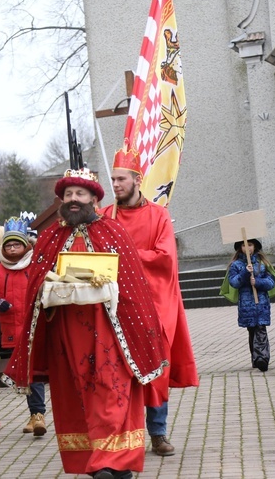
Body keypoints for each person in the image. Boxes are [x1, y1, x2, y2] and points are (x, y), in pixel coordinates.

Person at [3, 168, 169, 479]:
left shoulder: (115, 232)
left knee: (112, 391)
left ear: (94, 198)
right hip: (67, 334)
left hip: (111, 332)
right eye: (68, 195)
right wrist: (48, 289)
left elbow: (134, 287)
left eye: (80, 194)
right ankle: (99, 462)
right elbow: (36, 284)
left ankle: (113, 461)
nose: (74, 199)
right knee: (78, 396)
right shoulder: (51, 237)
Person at [101, 147, 198, 458]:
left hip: (151, 305)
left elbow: (166, 258)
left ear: (136, 180)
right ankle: (121, 435)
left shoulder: (158, 215)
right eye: (113, 179)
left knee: (155, 369)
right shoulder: (105, 215)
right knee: (117, 372)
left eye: (121, 179)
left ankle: (157, 433)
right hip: (114, 306)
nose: (115, 184)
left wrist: (124, 258)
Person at [0, 217, 47, 437]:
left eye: (16, 244)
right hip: (11, 330)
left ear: (24, 245)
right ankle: (34, 414)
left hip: (36, 327)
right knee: (24, 375)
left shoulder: (36, 266)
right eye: (8, 245)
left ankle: (38, 414)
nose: (12, 248)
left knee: (31, 372)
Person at [220, 238, 275, 372]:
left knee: (261, 329)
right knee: (252, 331)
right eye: (244, 245)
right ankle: (256, 358)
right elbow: (234, 283)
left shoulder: (261, 264)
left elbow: (270, 282)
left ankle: (262, 358)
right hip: (247, 305)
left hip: (261, 304)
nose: (247, 248)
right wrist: (244, 273)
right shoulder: (236, 265)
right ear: (240, 248)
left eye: (250, 245)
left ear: (254, 247)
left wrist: (258, 282)